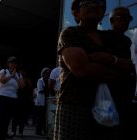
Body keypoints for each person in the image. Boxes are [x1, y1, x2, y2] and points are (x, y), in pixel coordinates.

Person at [53, 0, 133, 139]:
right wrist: (114, 65)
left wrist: (106, 59)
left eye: (99, 4)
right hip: (75, 105)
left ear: (103, 14)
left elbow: (128, 68)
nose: (95, 6)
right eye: (87, 3)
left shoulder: (109, 37)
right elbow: (81, 69)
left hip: (106, 106)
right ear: (76, 12)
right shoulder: (71, 33)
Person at [105, 6, 136, 139]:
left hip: (125, 98)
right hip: (109, 97)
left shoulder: (127, 41)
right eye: (122, 18)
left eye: (128, 18)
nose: (126, 21)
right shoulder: (105, 37)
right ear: (111, 20)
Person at [0, 56, 24, 140]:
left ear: (16, 64)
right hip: (0, 97)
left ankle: (2, 137)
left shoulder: (19, 74)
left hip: (12, 99)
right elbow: (2, 80)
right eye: (11, 62)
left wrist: (15, 76)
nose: (13, 64)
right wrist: (11, 76)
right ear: (8, 64)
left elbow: (21, 86)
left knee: (7, 120)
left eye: (14, 63)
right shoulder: (3, 71)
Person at [11, 68, 33, 138]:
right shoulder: (16, 79)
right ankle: (13, 132)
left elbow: (30, 89)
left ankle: (20, 132)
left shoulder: (27, 80)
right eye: (21, 71)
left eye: (23, 71)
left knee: (22, 119)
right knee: (15, 118)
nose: (22, 72)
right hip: (16, 101)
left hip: (24, 102)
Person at [35, 67, 50, 136]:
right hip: (40, 102)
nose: (47, 74)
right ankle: (38, 131)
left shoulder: (49, 80)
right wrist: (48, 90)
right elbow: (40, 90)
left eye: (48, 73)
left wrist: (46, 89)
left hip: (47, 102)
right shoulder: (40, 81)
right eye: (46, 73)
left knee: (45, 117)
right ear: (43, 73)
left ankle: (45, 131)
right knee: (39, 118)